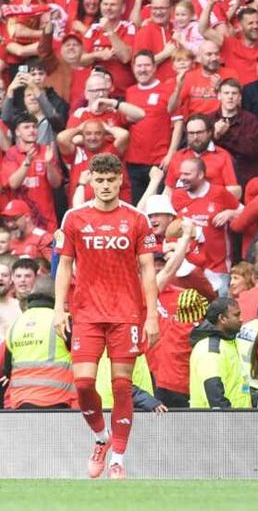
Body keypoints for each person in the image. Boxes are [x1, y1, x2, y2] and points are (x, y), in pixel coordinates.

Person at [53, 153, 158, 479]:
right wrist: (60, 308)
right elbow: (65, 265)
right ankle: (101, 437)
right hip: (86, 314)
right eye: (99, 180)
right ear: (91, 180)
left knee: (122, 386)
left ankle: (119, 460)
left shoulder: (137, 219)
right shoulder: (74, 218)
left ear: (120, 181)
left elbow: (148, 270)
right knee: (83, 383)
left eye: (111, 180)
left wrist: (151, 315)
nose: (105, 186)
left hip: (126, 314)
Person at [3, 279, 74, 409]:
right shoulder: (63, 321)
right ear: (57, 297)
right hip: (59, 402)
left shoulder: (15, 324)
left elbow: (7, 370)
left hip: (20, 403)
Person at [188, 297, 250, 409]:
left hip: (238, 418)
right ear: (222, 318)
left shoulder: (230, 343)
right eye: (236, 315)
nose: (241, 319)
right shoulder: (211, 349)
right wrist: (230, 420)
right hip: (217, 422)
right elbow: (214, 394)